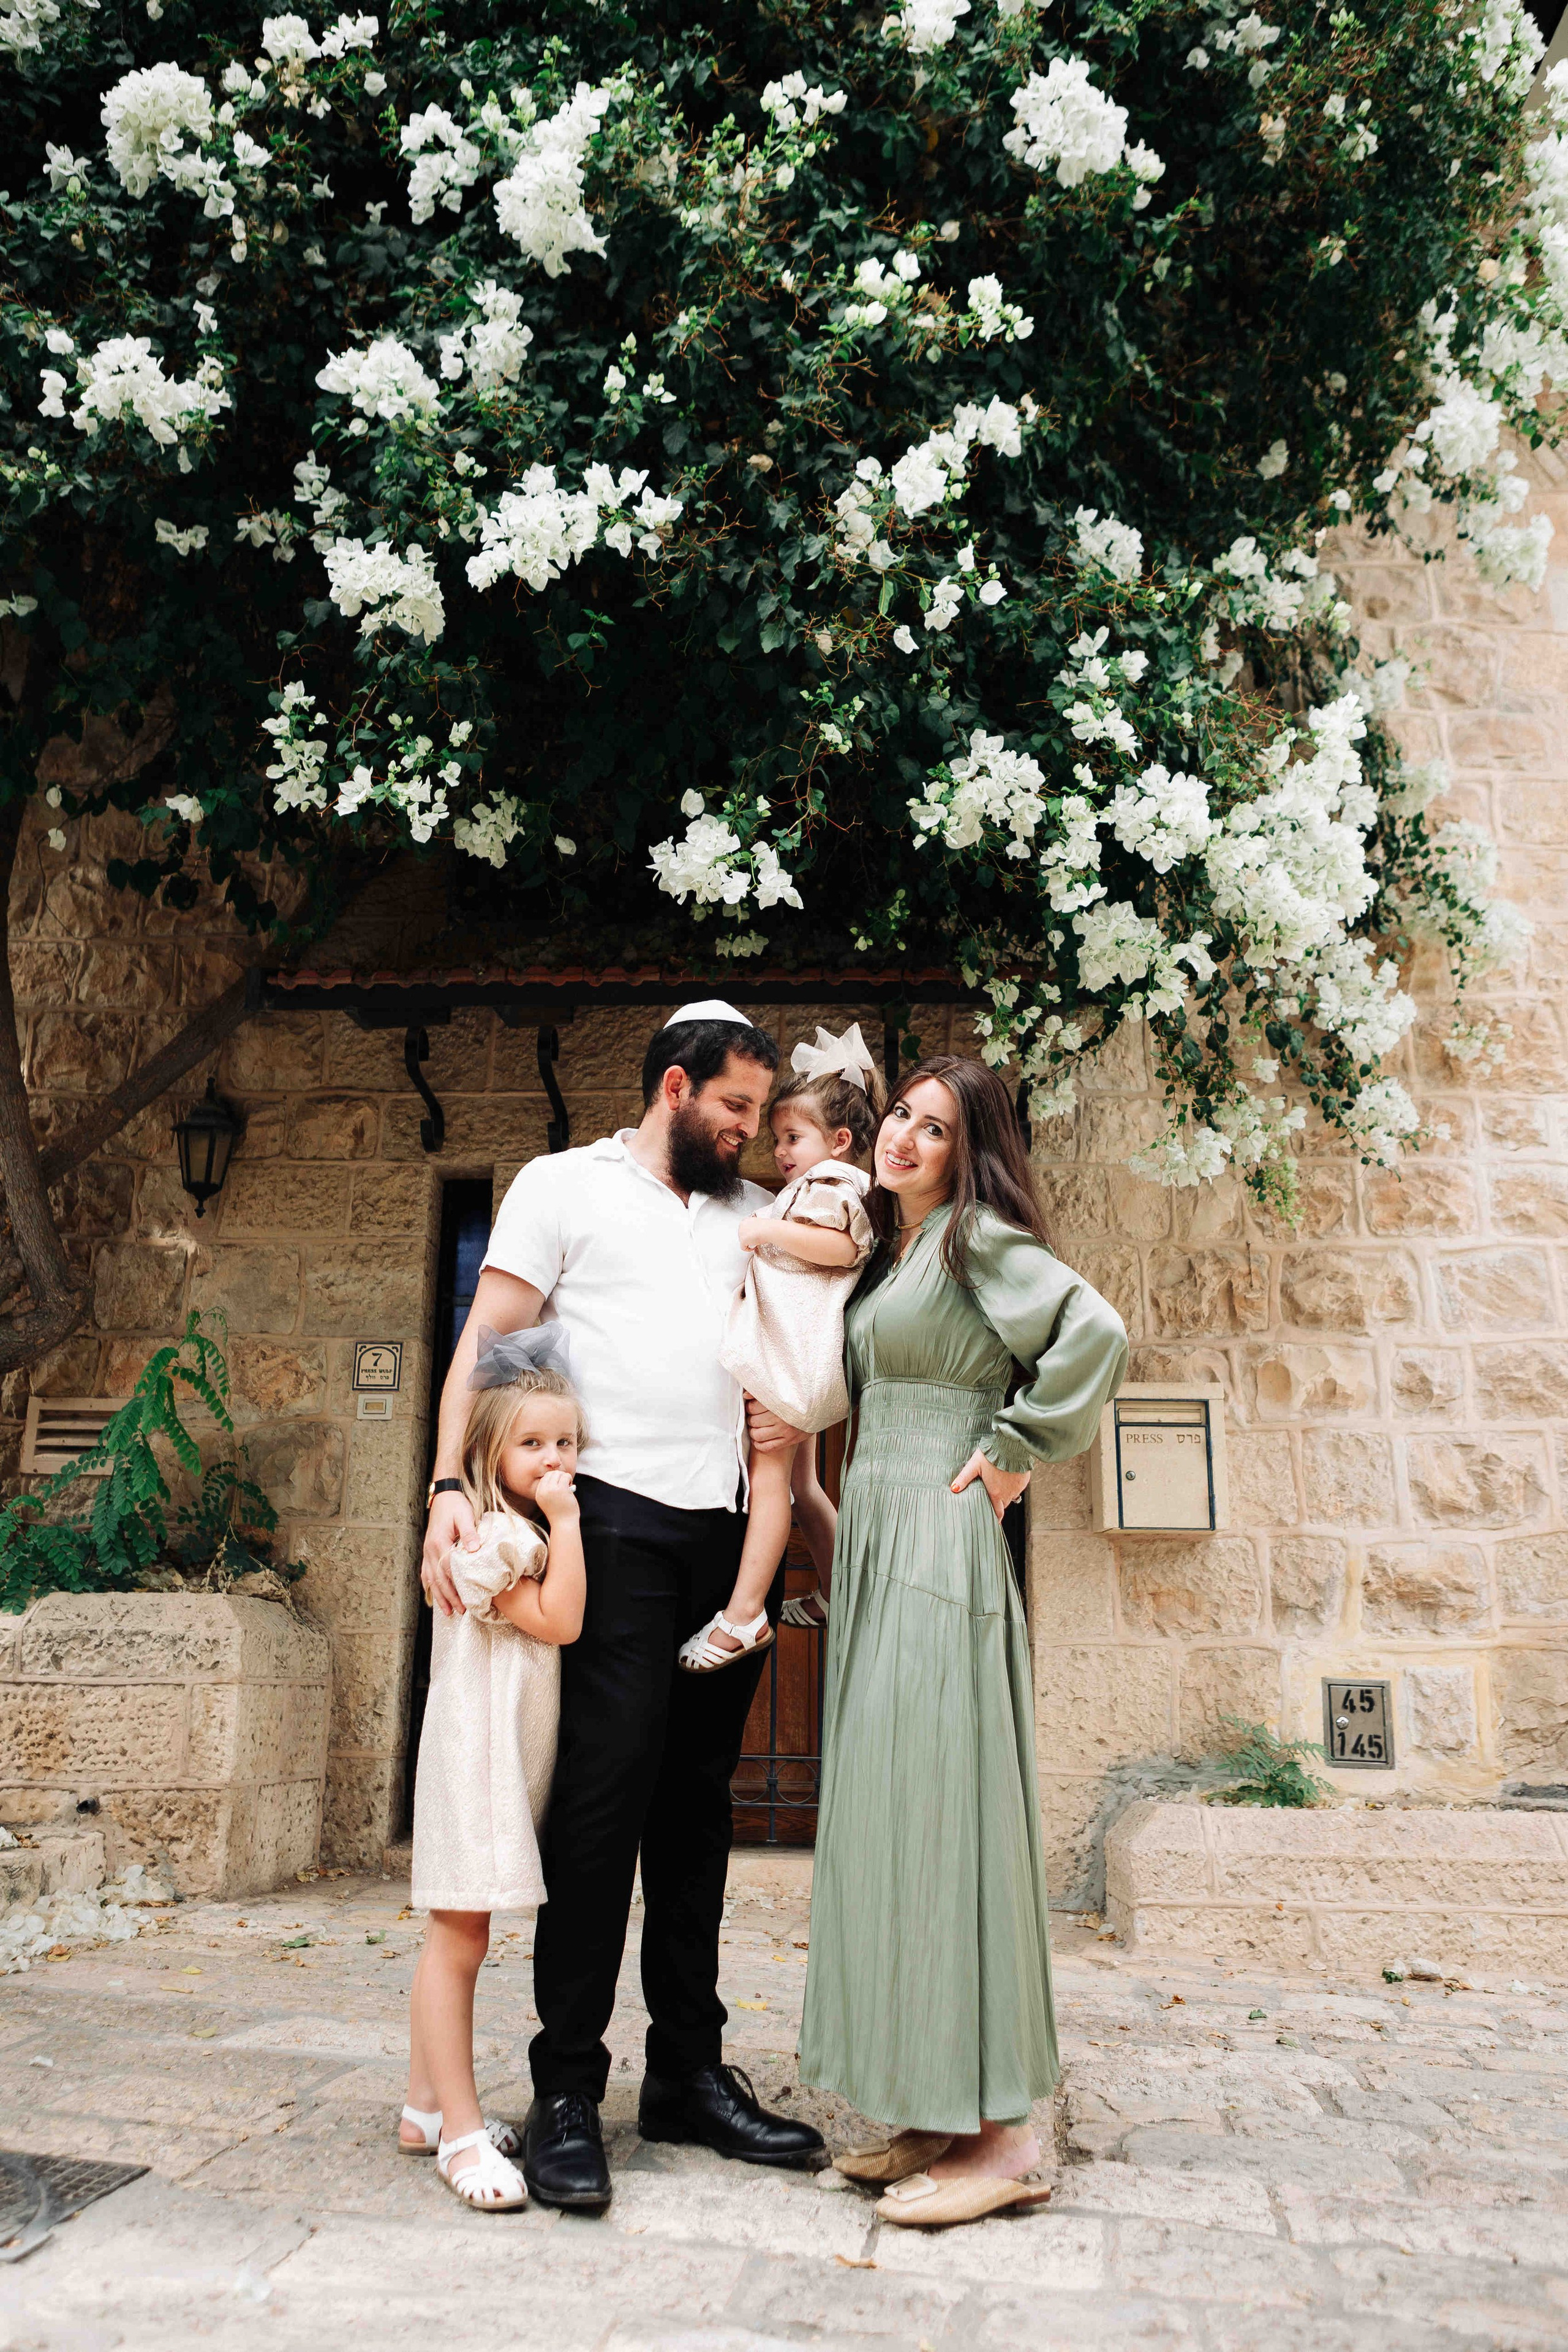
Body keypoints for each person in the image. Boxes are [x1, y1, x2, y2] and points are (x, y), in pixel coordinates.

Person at [419, 1001, 826, 2213]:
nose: (750, 1134)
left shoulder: (760, 1220)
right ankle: (563, 2091)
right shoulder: (562, 1188)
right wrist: (449, 1484)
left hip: (725, 1537)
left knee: (699, 1813)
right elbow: (487, 1341)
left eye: (760, 1114)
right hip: (609, 1525)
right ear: (671, 1088)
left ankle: (687, 2075)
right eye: (735, 1110)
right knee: (599, 1804)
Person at [783, 1054, 1128, 2231]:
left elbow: (1096, 1332)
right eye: (899, 1117)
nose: (904, 1140)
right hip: (883, 1546)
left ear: (968, 1150)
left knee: (946, 1806)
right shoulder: (899, 1253)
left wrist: (1019, 1446)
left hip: (936, 1546)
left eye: (934, 1129)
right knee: (897, 1810)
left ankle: (1008, 2140)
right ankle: (938, 2105)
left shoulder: (980, 1239)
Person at [402, 1332, 587, 2212]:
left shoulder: (509, 1528)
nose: (555, 1459)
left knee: (459, 1931)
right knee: (460, 1937)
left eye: (567, 1443)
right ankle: (464, 2138)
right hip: (473, 1756)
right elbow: (560, 1622)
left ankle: (422, 2108)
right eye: (534, 1444)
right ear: (488, 1450)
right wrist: (572, 1520)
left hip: (489, 1752)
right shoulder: (496, 1540)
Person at [680, 1025, 881, 1672]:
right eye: (778, 1140)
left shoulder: (832, 1186)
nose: (782, 1152)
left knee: (772, 1481)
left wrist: (765, 1229)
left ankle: (743, 1617)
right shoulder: (827, 1183)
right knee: (803, 1484)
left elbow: (845, 1247)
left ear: (838, 1142)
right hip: (800, 1353)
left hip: (790, 1357)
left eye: (792, 1138)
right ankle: (838, 1591)